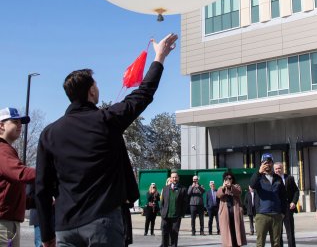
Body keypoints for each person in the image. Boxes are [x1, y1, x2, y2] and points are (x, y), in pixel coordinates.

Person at [35, 33, 177, 247]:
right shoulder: (105, 120)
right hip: (102, 223)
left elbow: (42, 189)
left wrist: (47, 236)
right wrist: (160, 57)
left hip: (65, 227)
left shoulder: (48, 134)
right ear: (92, 91)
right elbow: (144, 93)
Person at [0, 107, 36, 247]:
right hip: (3, 224)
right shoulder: (3, 150)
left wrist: (37, 202)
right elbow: (21, 174)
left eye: (21, 122)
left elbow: (8, 193)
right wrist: (54, 172)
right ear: (1, 125)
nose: (20, 125)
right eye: (15, 121)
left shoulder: (7, 150)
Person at [250, 153, 287, 247]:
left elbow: (283, 196)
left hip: (276, 215)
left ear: (272, 163)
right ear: (261, 164)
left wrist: (283, 212)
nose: (267, 164)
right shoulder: (258, 177)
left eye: (269, 162)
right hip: (262, 215)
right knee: (260, 243)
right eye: (265, 162)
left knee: (276, 243)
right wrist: (259, 172)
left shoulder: (278, 178)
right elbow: (252, 185)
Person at [217, 171, 247, 247]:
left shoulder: (236, 186)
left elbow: (239, 192)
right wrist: (224, 188)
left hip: (235, 213)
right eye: (226, 178)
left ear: (232, 179)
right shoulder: (221, 187)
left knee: (236, 231)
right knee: (227, 232)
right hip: (225, 214)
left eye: (230, 178)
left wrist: (230, 187)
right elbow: (218, 195)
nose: (228, 180)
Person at [159, 171, 188, 247]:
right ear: (170, 178)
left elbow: (185, 203)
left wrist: (181, 214)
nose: (174, 179)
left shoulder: (183, 189)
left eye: (176, 177)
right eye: (173, 177)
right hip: (165, 216)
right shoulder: (165, 188)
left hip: (176, 216)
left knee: (174, 235)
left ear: (178, 178)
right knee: (164, 234)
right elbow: (162, 202)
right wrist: (162, 212)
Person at [274, 162, 299, 247]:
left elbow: (296, 191)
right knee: (278, 233)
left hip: (288, 208)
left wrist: (294, 202)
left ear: (283, 168)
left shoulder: (289, 178)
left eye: (279, 168)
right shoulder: (271, 179)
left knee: (290, 232)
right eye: (276, 169)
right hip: (277, 209)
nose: (277, 170)